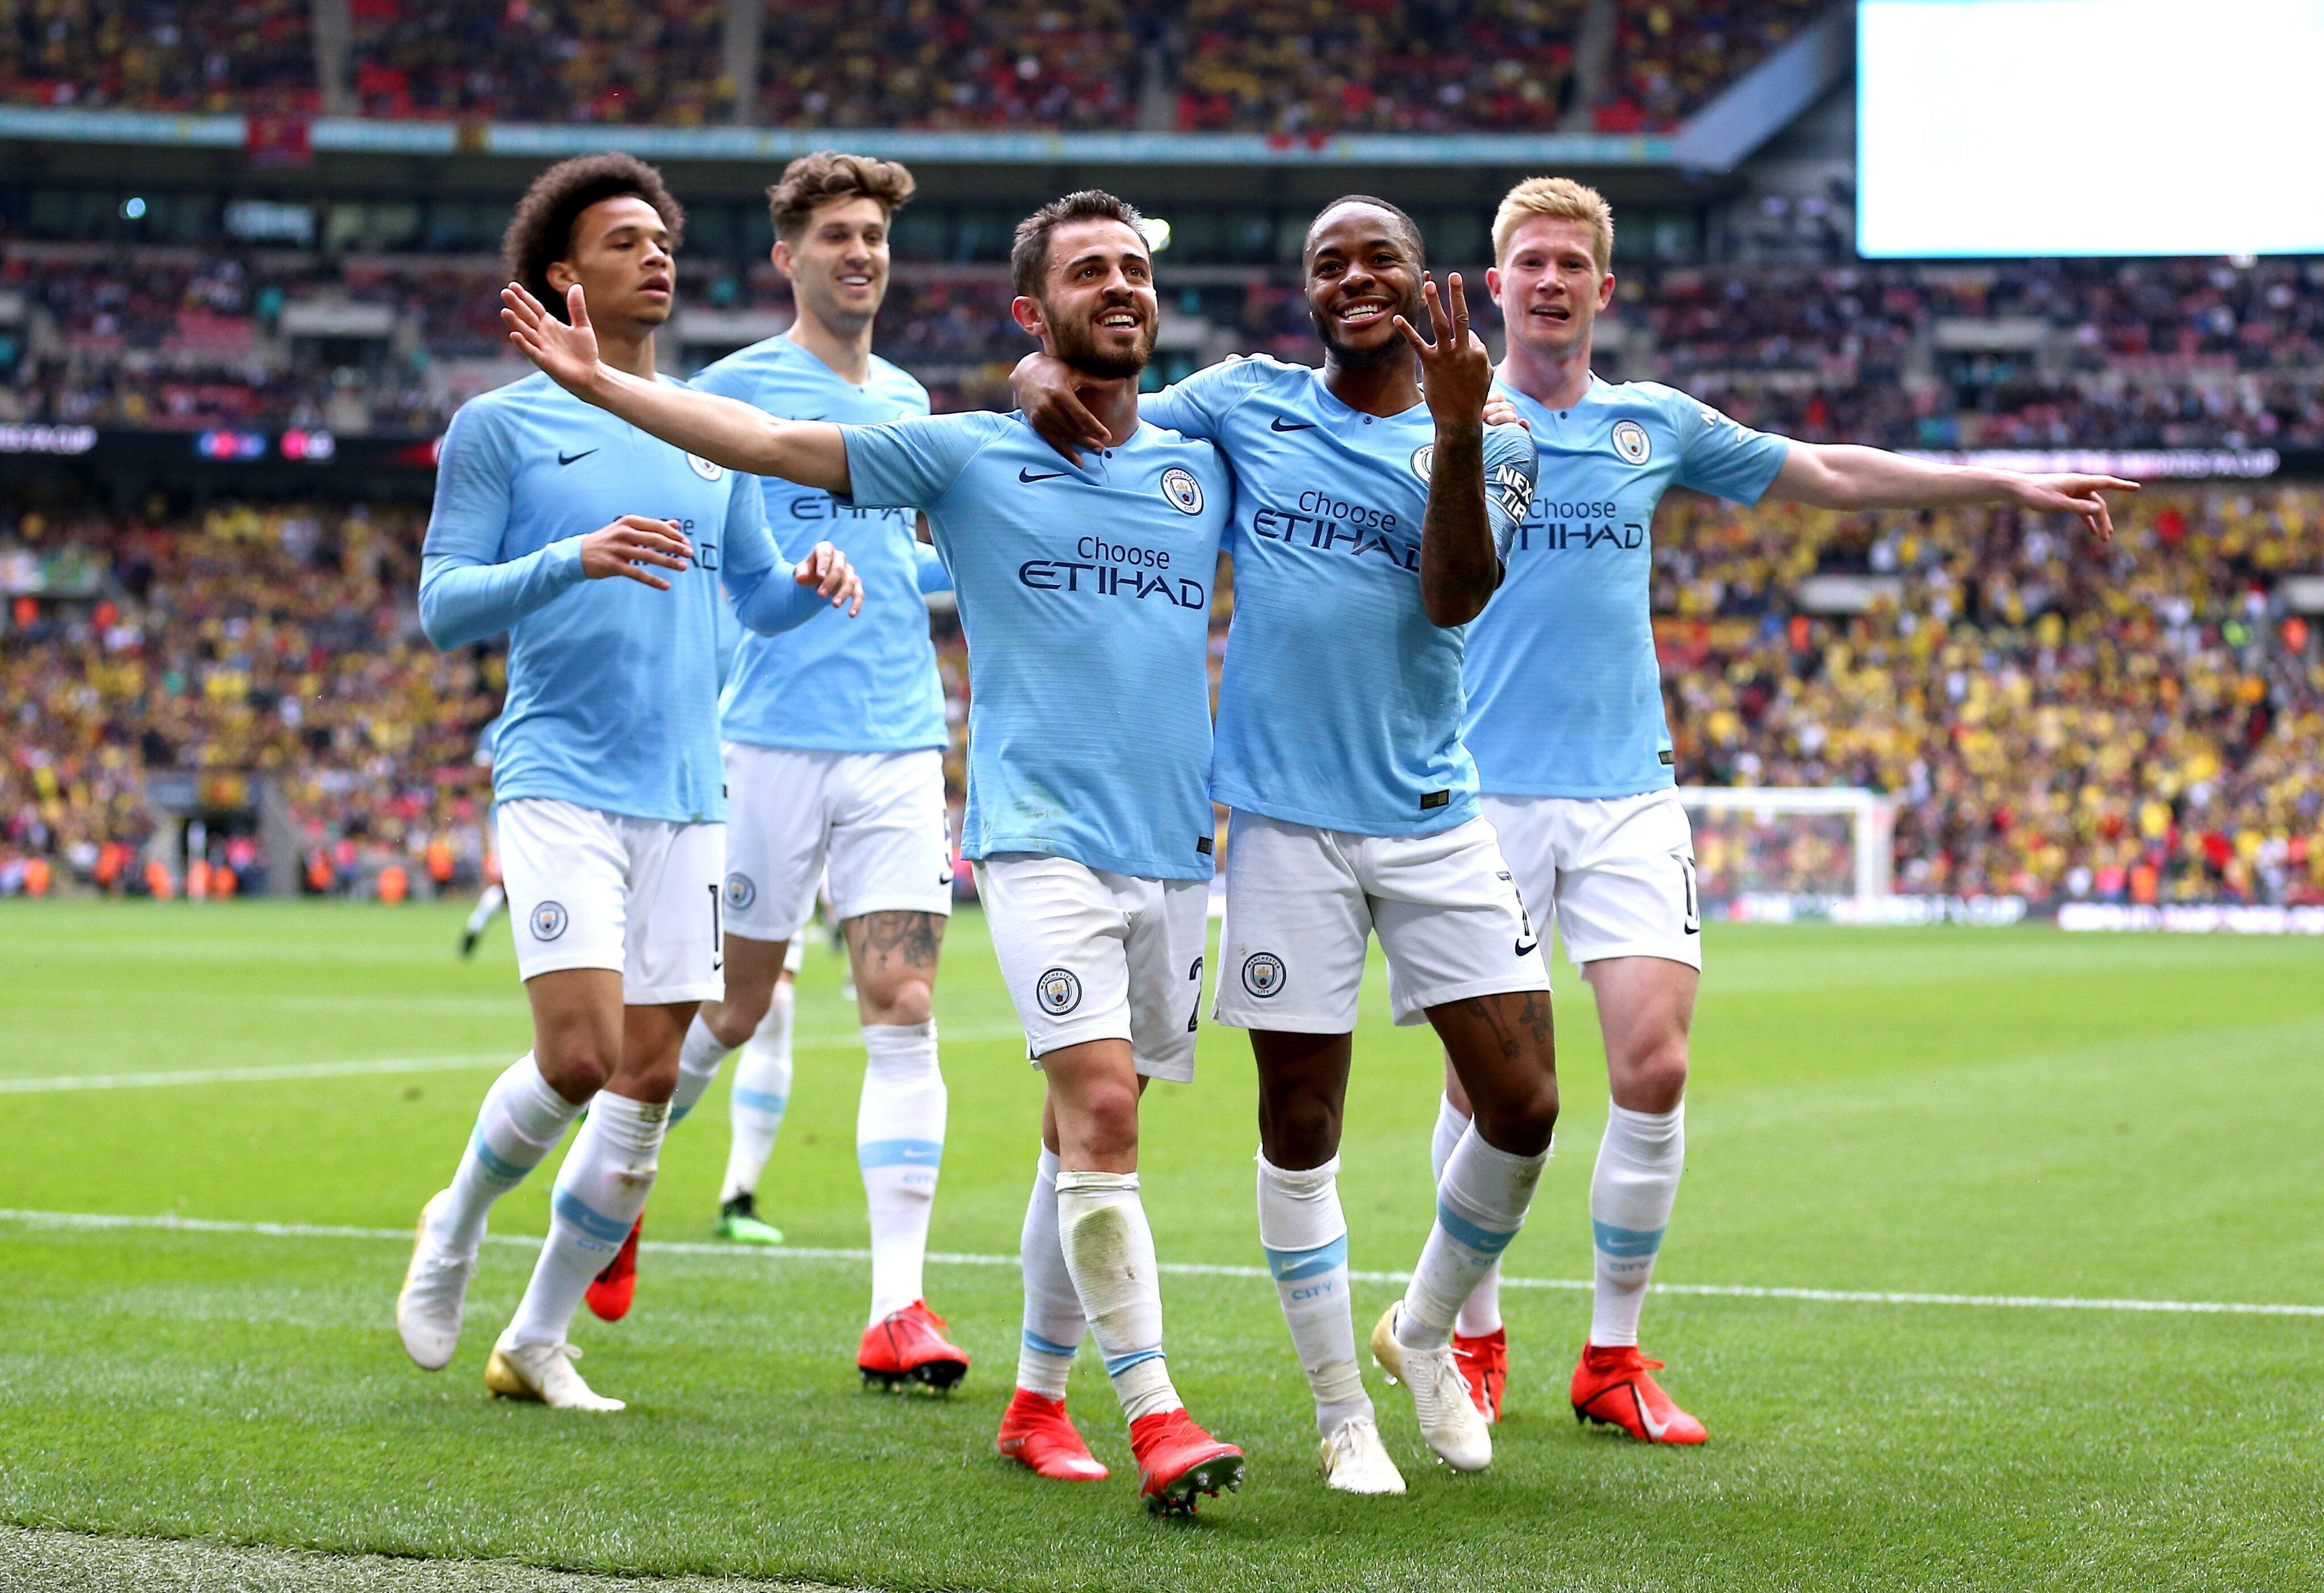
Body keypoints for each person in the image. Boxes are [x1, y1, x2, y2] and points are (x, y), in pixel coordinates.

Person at [498, 190, 1248, 1516]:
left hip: (1112, 822)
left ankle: (1015, 1384)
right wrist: (607, 383)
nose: (1122, 284)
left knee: (1067, 1111)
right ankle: (1143, 1406)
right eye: (1091, 270)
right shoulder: (949, 445)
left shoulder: (1191, 442)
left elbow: (1303, 418)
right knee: (744, 1016)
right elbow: (763, 440)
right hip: (866, 770)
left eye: (1137, 266)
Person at [1454, 175, 2136, 1443]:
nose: (1549, 281)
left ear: (1605, 288)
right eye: (1528, 262)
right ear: (1495, 282)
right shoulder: (1446, 420)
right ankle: (1469, 1329)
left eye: (1571, 264)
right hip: (1476, 795)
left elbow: (1827, 472)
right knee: (1492, 1091)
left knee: (1653, 1066)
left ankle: (1610, 1352)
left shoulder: (1650, 422)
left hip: (1626, 791)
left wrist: (2002, 484)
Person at [1013, 196, 1551, 1495]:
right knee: (1299, 1120)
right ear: (1304, 288)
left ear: (1426, 284)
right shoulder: (1244, 399)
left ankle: (1420, 1330)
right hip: (1280, 824)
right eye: (1328, 262)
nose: (1355, 276)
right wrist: (1037, 368)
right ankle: (1341, 1413)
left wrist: (1462, 421)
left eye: (1380, 258)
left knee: (1525, 1103)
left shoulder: (1501, 427)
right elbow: (1111, 397)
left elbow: (1455, 592)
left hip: (1431, 813)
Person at [392, 153, 862, 1414]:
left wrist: (805, 583)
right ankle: (457, 1217)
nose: (658, 254)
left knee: (652, 1075)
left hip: (686, 791)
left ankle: (539, 1337)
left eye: (663, 238)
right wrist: (571, 559)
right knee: (582, 1052)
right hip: (559, 775)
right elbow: (442, 607)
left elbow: (751, 597)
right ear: (565, 276)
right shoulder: (500, 427)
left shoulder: (706, 433)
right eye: (626, 240)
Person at [618, 151, 970, 1392]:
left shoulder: (914, 399)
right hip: (763, 738)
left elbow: (905, 558)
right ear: (787, 257)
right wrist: (791, 585)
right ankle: (626, 1188)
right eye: (834, 235)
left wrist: (970, 573)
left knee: (904, 1007)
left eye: (873, 233)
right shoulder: (734, 392)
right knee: (731, 1010)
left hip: (896, 739)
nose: (859, 252)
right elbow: (719, 566)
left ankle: (897, 1304)